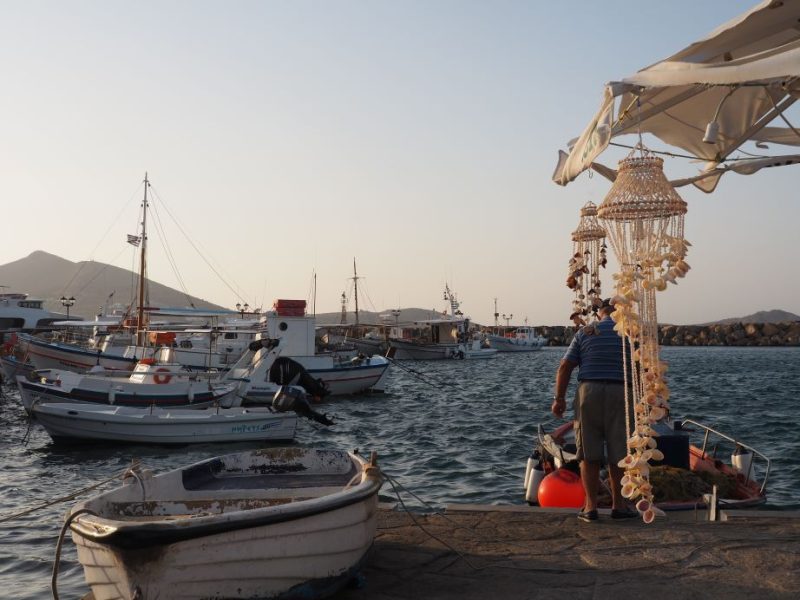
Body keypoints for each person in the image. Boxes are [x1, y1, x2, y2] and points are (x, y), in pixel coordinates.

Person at [552, 298, 635, 522]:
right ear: (619, 313)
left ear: (600, 313)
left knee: (588, 452)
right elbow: (642, 367)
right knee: (620, 452)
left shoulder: (585, 333)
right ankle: (619, 505)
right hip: (621, 392)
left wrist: (559, 399)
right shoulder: (629, 334)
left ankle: (590, 507)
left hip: (588, 392)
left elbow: (565, 366)